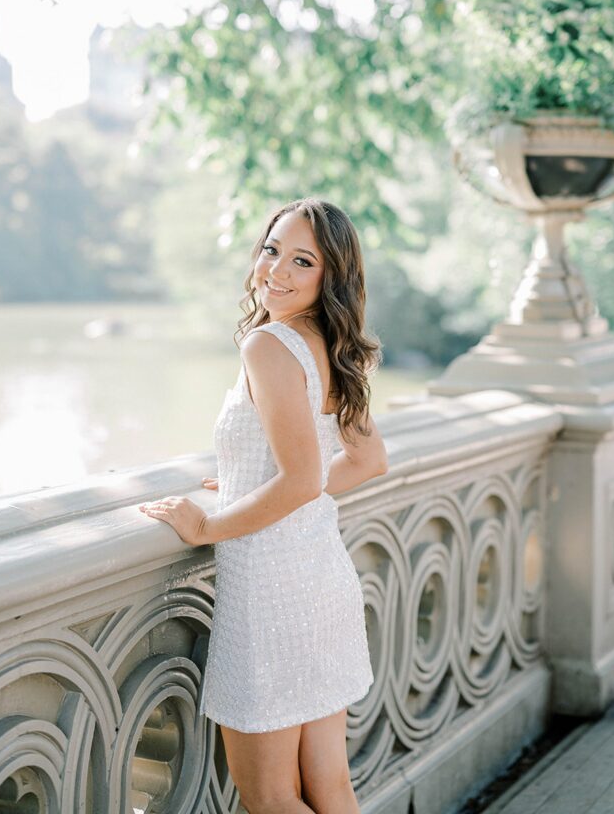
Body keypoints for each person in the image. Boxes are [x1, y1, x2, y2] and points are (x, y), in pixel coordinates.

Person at [139, 198, 389, 813]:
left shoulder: (268, 344)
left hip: (271, 588)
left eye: (301, 260)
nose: (275, 270)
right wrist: (256, 486)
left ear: (328, 277)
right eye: (271, 249)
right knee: (329, 787)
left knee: (272, 799)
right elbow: (363, 460)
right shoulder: (330, 343)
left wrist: (209, 525)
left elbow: (301, 478)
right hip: (321, 577)